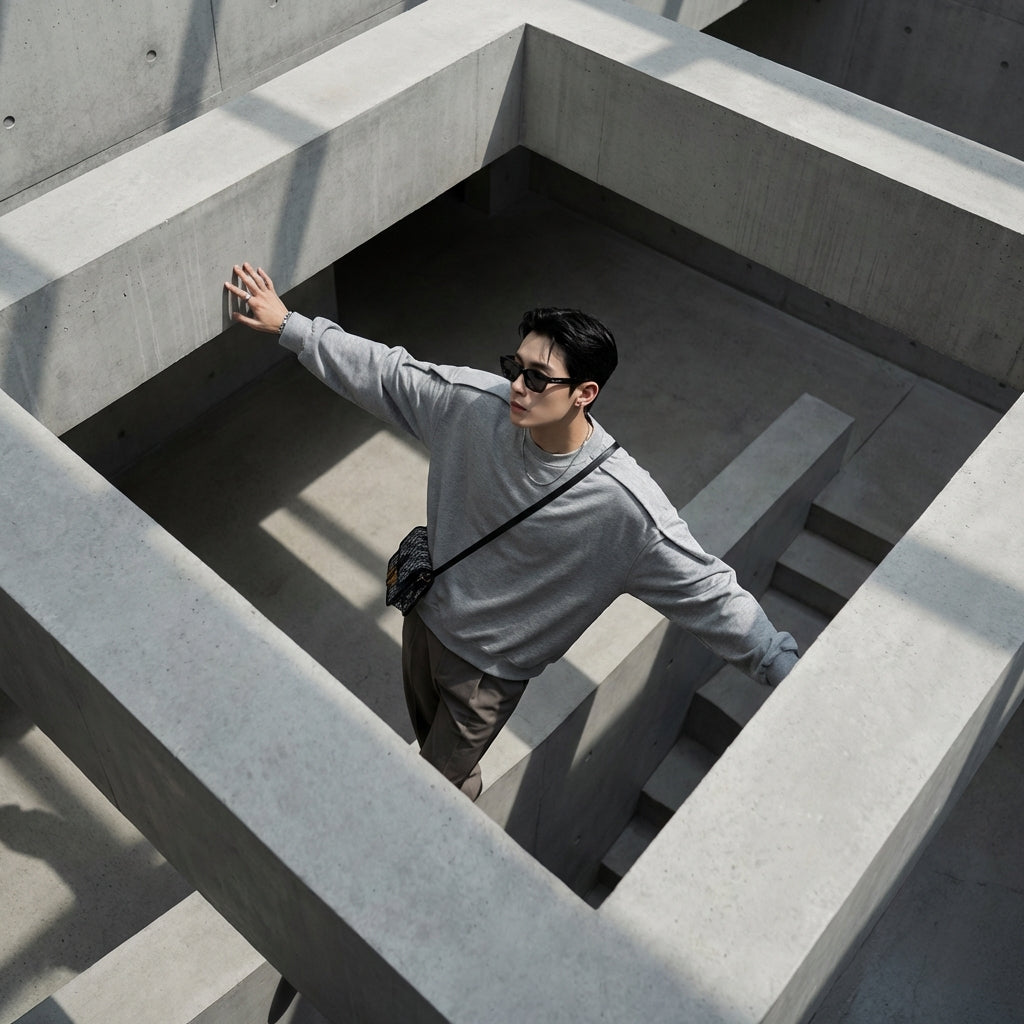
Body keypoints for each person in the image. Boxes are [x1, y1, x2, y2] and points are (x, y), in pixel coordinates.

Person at [225, 262, 798, 800]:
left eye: (538, 377)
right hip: (422, 613)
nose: (518, 386)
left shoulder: (625, 507)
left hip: (486, 674)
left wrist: (781, 667)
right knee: (427, 750)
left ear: (585, 394)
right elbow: (389, 374)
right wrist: (292, 326)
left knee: (434, 788)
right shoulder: (476, 405)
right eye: (514, 367)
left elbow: (707, 590)